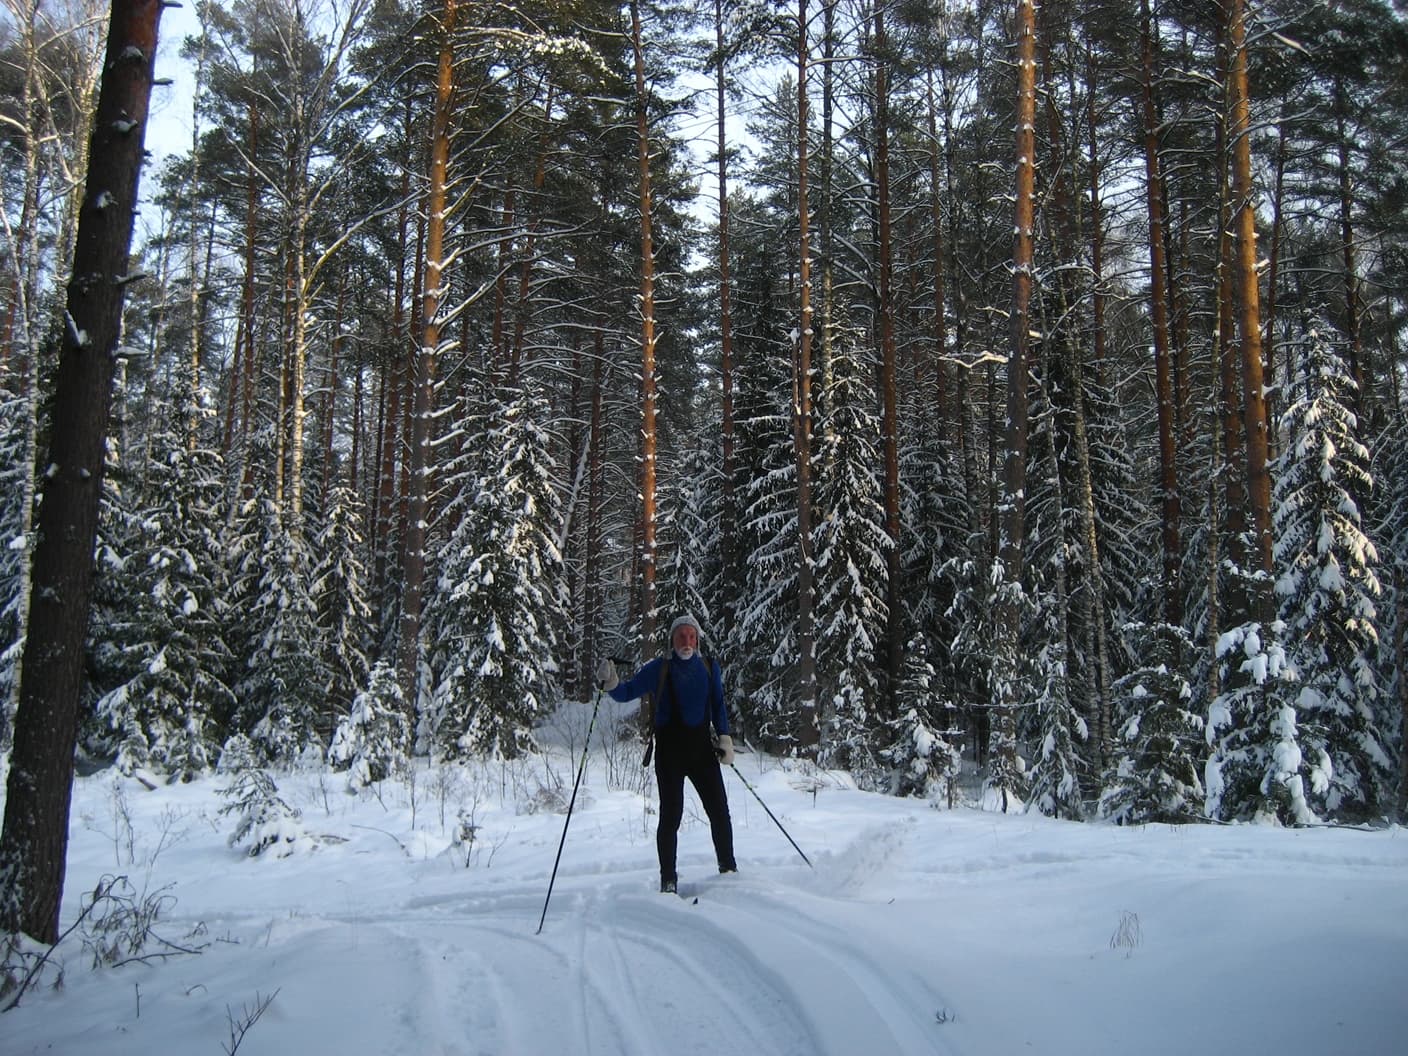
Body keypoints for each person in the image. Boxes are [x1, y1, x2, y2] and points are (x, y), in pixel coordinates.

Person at [596, 614, 737, 894]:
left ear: (697, 640)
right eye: (681, 636)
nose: (687, 641)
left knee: (719, 812)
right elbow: (626, 692)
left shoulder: (709, 667)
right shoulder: (658, 669)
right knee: (671, 817)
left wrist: (724, 737)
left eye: (691, 636)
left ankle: (728, 870)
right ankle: (668, 880)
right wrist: (610, 682)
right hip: (670, 755)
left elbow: (718, 704)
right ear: (672, 640)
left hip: (702, 753)